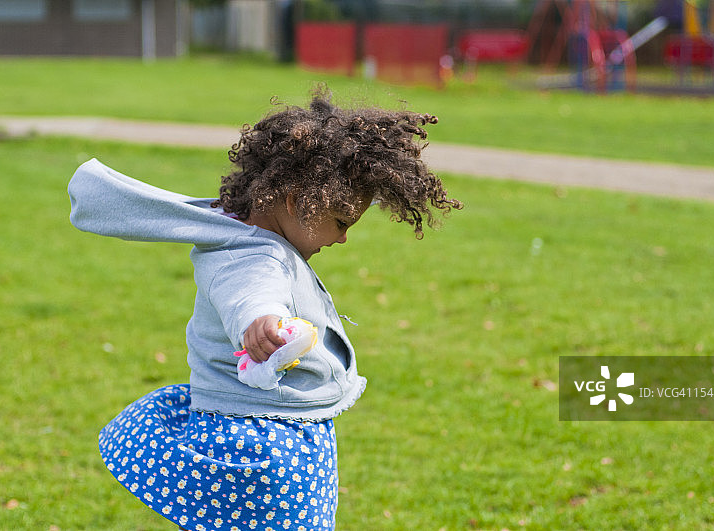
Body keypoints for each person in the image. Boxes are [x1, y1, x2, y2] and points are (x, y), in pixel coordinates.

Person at [68, 86, 462, 530]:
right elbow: (253, 291)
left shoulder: (245, 236)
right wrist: (262, 322)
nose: (343, 238)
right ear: (297, 202)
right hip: (265, 444)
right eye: (341, 222)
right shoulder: (254, 255)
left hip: (270, 430)